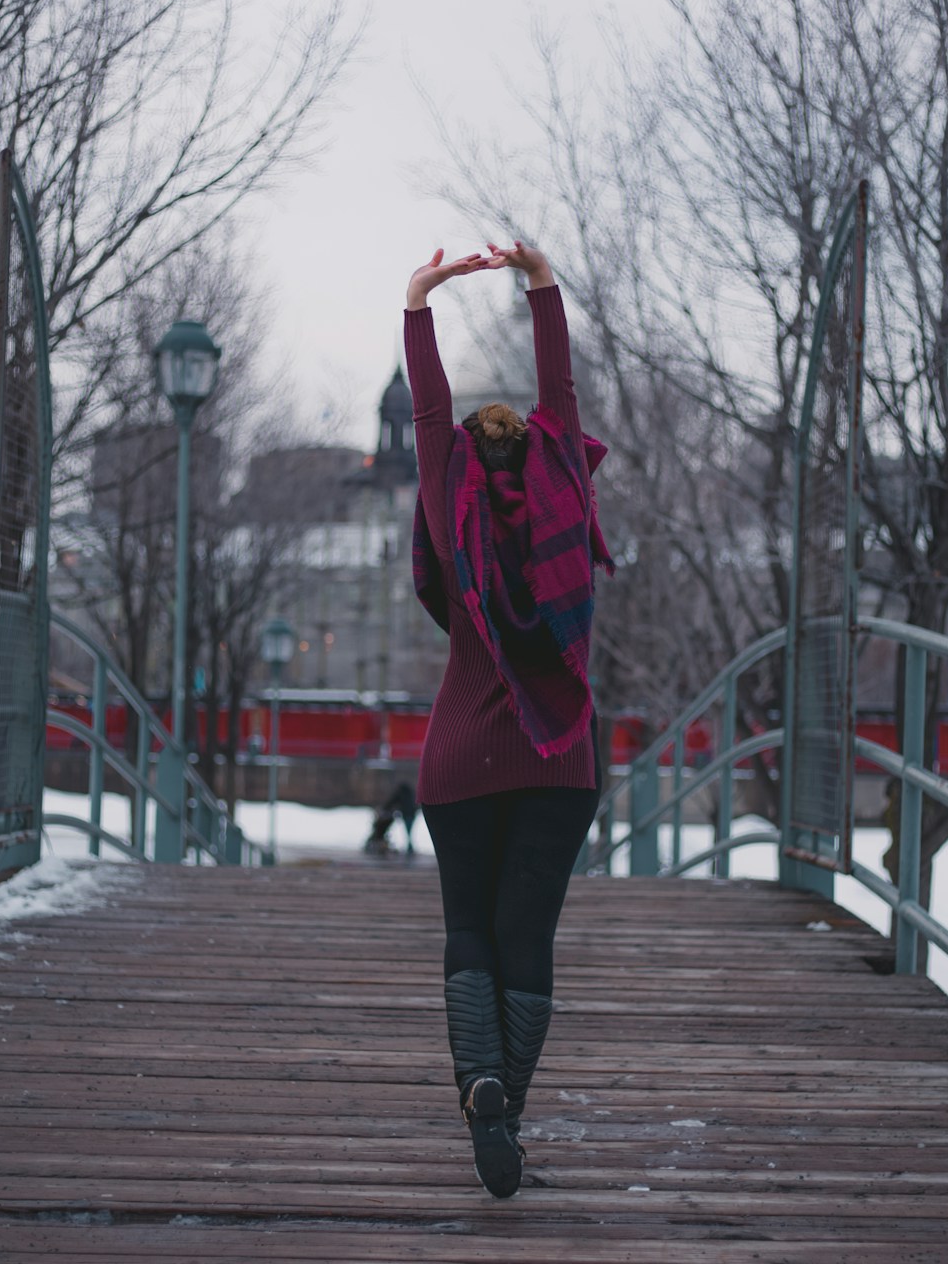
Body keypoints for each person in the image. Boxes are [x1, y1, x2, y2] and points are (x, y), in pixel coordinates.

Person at [403, 240, 615, 1198]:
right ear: (540, 457)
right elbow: (561, 389)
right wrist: (539, 281)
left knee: (467, 929)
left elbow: (428, 406)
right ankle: (508, 1113)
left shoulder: (451, 507)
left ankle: (477, 1081)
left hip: (459, 755)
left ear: (463, 464)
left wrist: (421, 301)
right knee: (527, 935)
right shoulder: (563, 486)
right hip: (557, 753)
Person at [364, 779, 419, 856]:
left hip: (407, 814)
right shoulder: (410, 794)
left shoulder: (401, 793)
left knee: (408, 832)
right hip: (412, 815)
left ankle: (410, 849)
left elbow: (393, 801)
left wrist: (385, 808)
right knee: (409, 832)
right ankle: (410, 848)